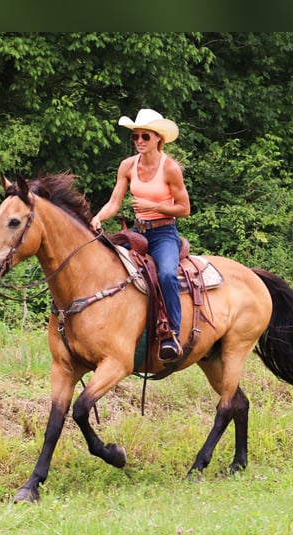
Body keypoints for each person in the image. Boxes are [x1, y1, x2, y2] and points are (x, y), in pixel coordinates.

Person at [91, 108, 191, 362]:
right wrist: (99, 217)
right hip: (137, 232)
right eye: (135, 136)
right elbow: (115, 202)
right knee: (108, 269)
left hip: (164, 232)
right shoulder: (127, 166)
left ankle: (172, 335)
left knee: (167, 275)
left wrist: (154, 207)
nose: (139, 141)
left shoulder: (170, 169)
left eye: (145, 136)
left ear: (158, 138)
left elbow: (184, 209)